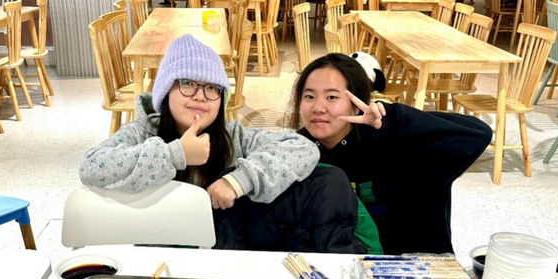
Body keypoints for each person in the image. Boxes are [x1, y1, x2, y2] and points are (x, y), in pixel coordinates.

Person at [79, 35, 376, 253]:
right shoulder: (145, 132)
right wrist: (174, 155)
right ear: (166, 90)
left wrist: (237, 181)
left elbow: (302, 149)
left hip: (225, 256)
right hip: (163, 253)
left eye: (212, 88)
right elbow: (91, 167)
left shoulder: (233, 136)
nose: (199, 95)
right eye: (187, 84)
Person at [287, 53, 493, 255]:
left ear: (356, 103)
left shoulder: (395, 139)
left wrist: (394, 119)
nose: (318, 108)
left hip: (413, 264)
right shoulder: (297, 151)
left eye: (331, 97)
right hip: (342, 264)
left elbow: (477, 135)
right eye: (309, 96)